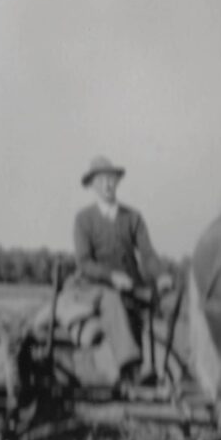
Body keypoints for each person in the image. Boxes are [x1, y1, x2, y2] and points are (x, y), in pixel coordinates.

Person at [71, 155, 173, 384]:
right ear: (93, 185)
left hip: (130, 287)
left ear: (117, 182)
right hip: (94, 287)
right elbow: (84, 262)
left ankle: (182, 367)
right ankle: (133, 367)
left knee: (166, 301)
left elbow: (147, 254)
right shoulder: (84, 219)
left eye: (111, 179)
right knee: (112, 300)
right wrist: (111, 276)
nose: (107, 185)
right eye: (101, 180)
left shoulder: (132, 217)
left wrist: (162, 275)